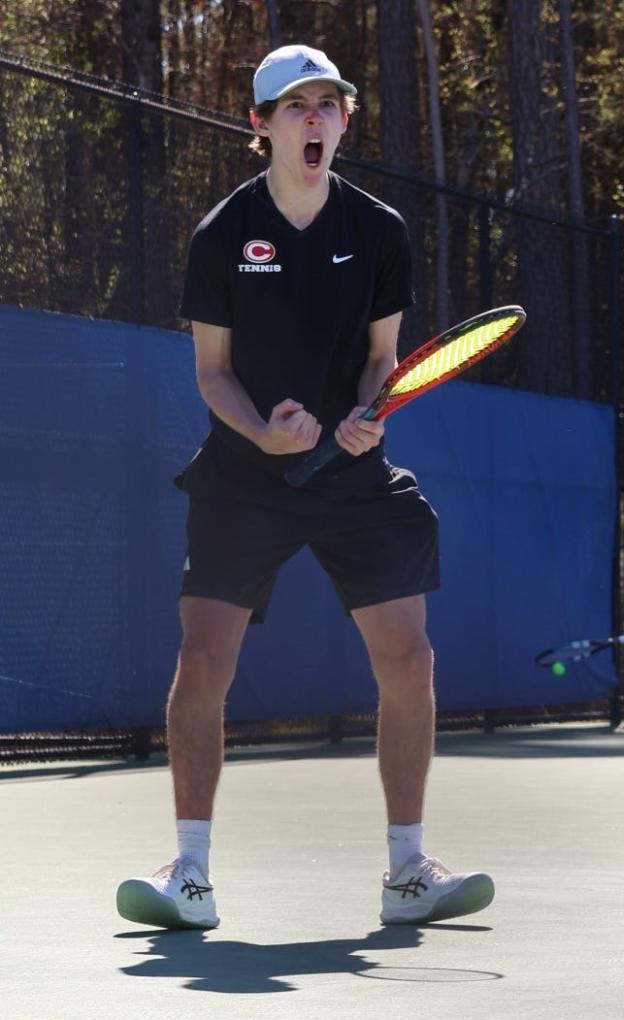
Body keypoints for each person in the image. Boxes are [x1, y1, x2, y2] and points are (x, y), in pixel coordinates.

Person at [115, 44, 493, 930]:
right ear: (261, 125)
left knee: (408, 657)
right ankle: (191, 874)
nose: (314, 119)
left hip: (352, 473)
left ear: (346, 120)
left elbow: (380, 361)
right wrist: (263, 431)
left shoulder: (380, 231)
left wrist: (370, 415)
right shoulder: (221, 235)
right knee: (203, 658)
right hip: (246, 473)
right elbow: (212, 373)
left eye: (328, 104)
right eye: (294, 107)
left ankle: (409, 873)